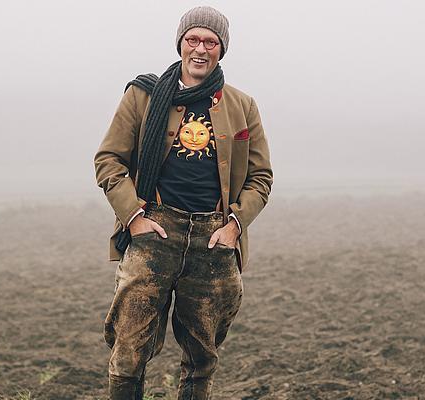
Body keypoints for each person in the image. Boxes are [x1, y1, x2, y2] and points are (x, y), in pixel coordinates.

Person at [93, 6, 273, 399]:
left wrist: (234, 226)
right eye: (193, 39)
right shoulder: (144, 96)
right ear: (180, 43)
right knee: (130, 346)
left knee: (202, 355)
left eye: (211, 42)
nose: (201, 49)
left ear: (221, 50)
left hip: (214, 238)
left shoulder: (242, 106)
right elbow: (109, 160)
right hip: (156, 229)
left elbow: (261, 177)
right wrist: (134, 217)